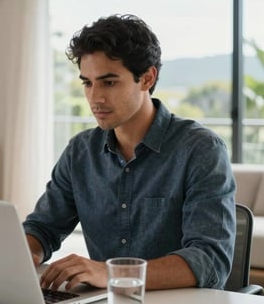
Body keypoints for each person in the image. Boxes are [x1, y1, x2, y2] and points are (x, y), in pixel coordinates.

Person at [23, 14, 236, 291]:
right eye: (87, 83)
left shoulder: (200, 149)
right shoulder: (80, 152)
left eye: (109, 82)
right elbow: (42, 228)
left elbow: (209, 260)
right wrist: (23, 254)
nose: (95, 98)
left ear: (147, 78)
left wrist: (111, 273)